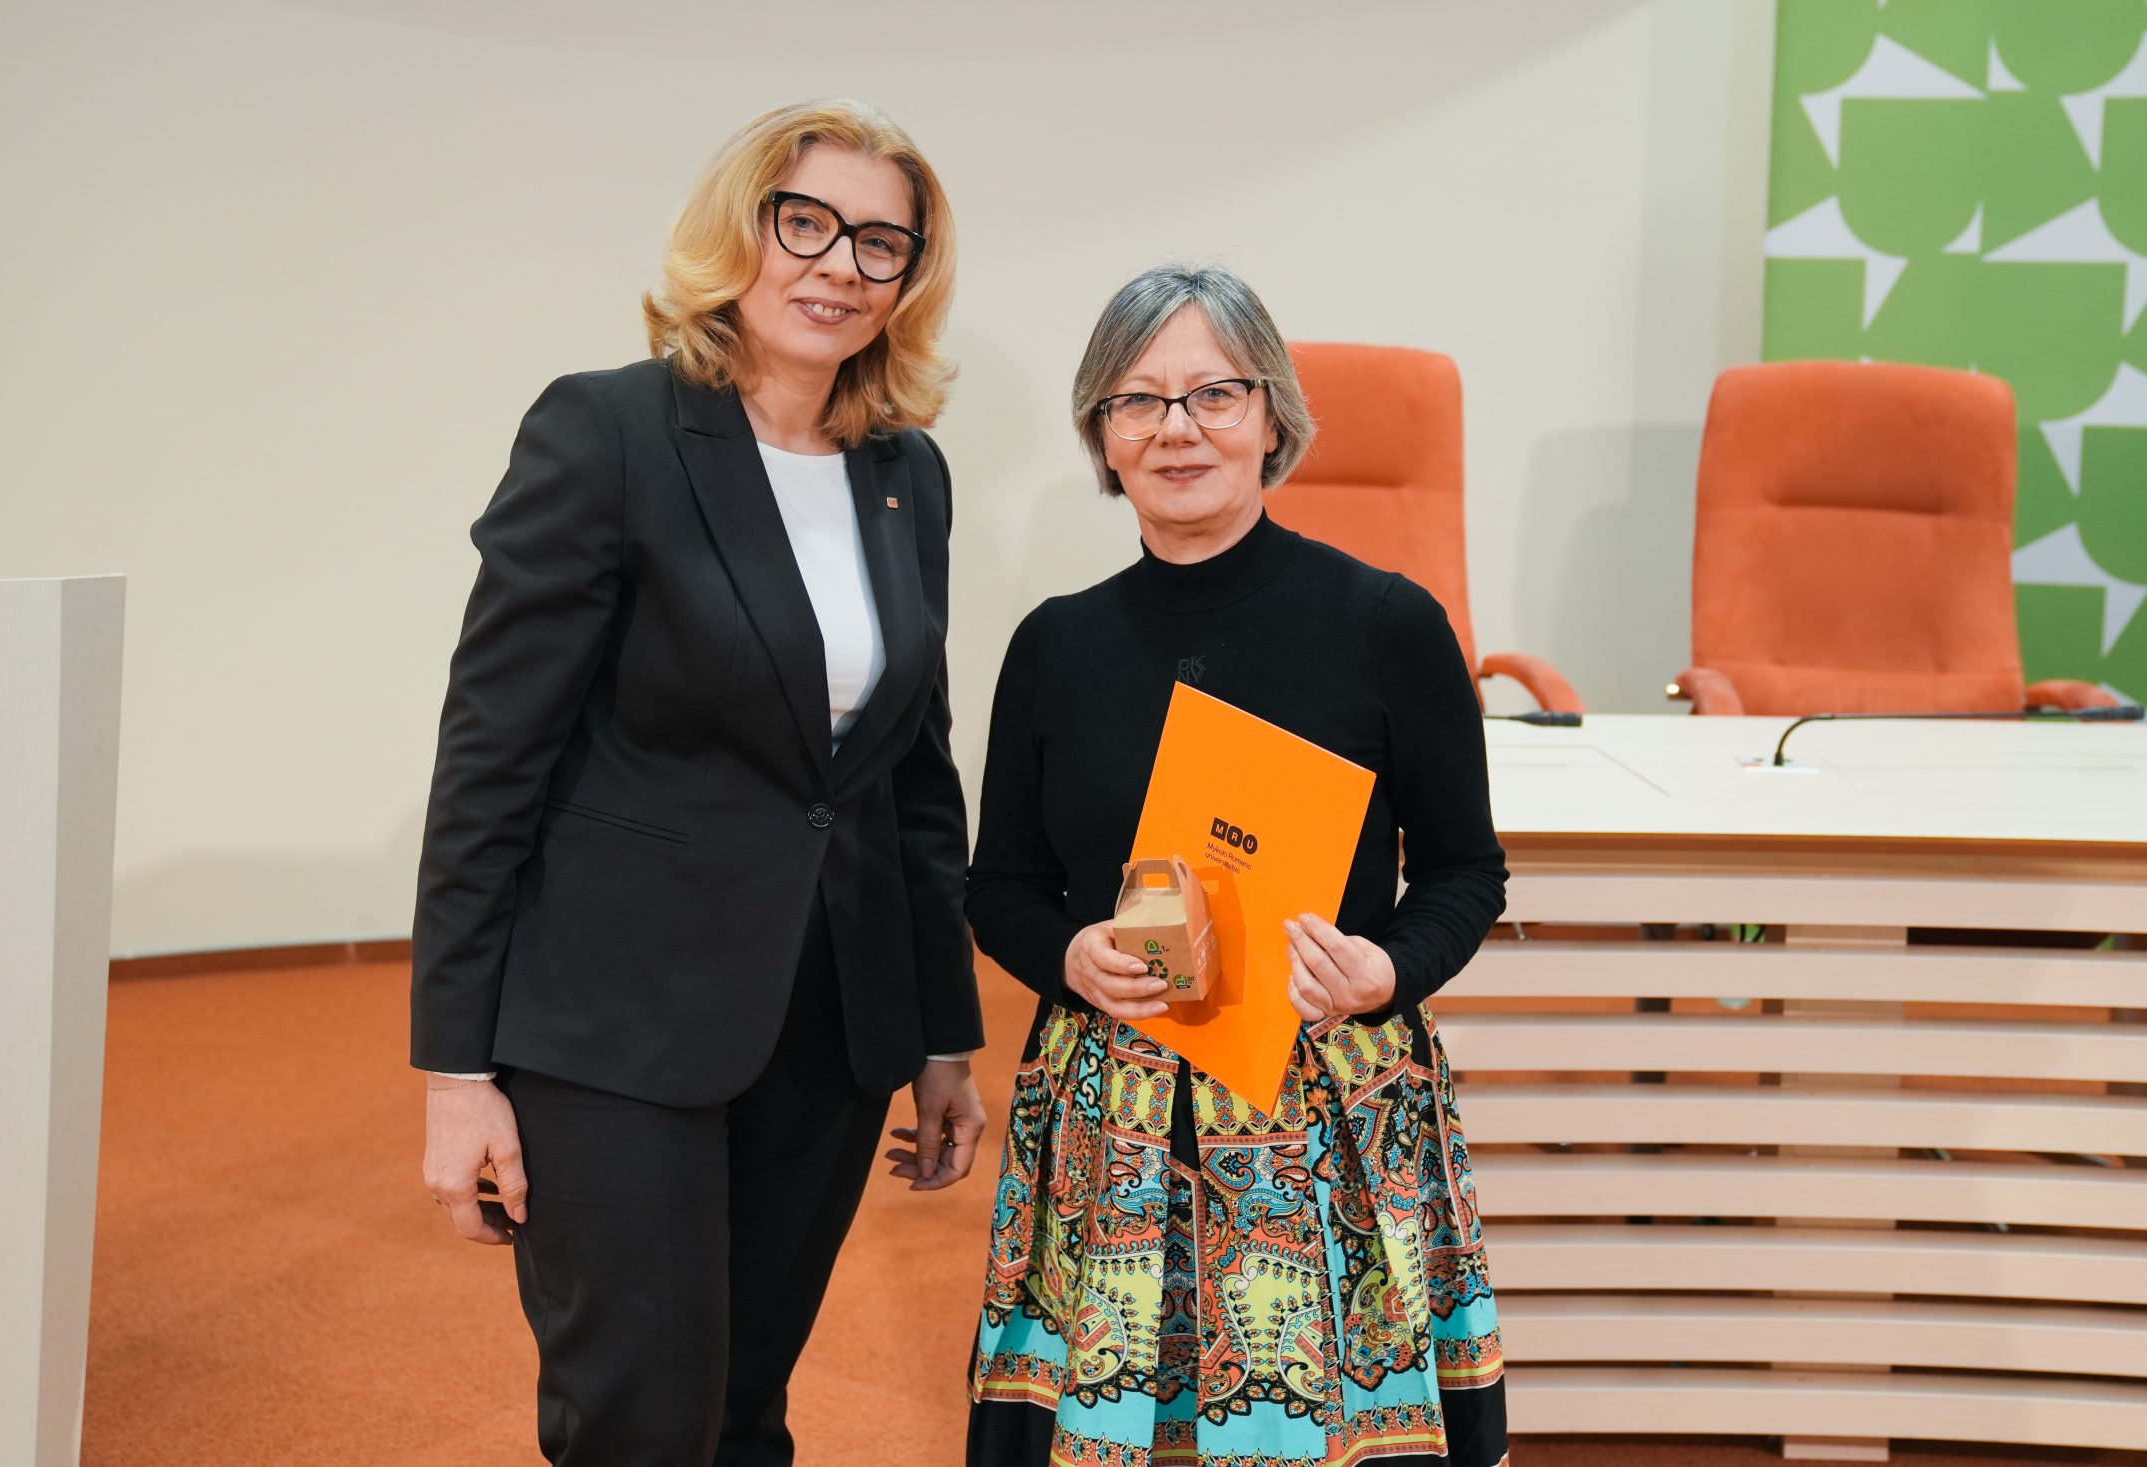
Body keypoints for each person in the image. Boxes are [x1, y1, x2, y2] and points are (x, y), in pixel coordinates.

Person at [411, 99, 988, 1466]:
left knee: (741, 1411)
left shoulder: (906, 473)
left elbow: (911, 770)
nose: (840, 265)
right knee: (641, 1422)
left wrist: (941, 1033)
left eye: (882, 244)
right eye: (808, 223)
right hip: (616, 1021)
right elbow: (490, 757)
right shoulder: (607, 431)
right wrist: (454, 1068)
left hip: (829, 1020)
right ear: (741, 229)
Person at [962, 264, 1509, 1466]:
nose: (1176, 428)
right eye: (1136, 399)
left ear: (1271, 418)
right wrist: (1067, 954)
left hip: (1325, 1104)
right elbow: (997, 886)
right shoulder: (1054, 645)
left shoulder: (1387, 624)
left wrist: (1387, 971)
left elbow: (1467, 872)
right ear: (1102, 434)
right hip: (1111, 1112)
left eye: (1213, 393)